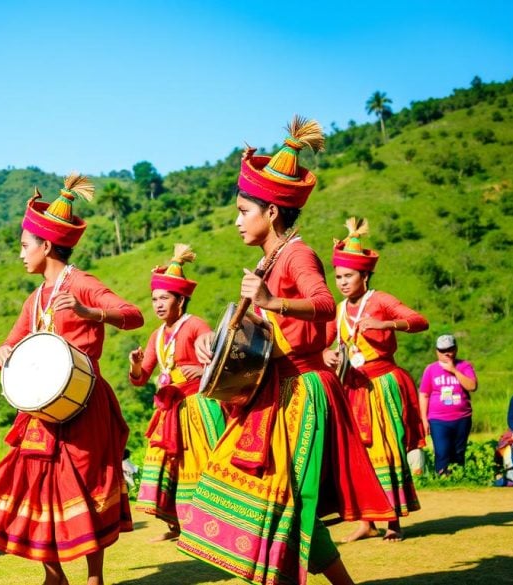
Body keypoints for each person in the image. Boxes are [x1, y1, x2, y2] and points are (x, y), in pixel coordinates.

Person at [177, 118, 393, 585]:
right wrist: (218, 343)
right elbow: (262, 333)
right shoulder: (267, 260)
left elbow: (322, 304)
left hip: (303, 390)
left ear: (271, 212)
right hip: (276, 388)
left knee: (286, 498)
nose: (236, 221)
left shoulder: (298, 255)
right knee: (280, 498)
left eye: (242, 211)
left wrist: (272, 301)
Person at [0, 174, 144, 585]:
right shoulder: (35, 298)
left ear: (46, 246)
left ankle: (94, 577)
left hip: (85, 405)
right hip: (41, 412)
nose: (20, 255)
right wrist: (2, 352)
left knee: (83, 485)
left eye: (24, 246)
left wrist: (91, 314)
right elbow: (11, 342)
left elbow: (133, 315)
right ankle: (53, 574)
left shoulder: (83, 284)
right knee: (31, 483)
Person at [322, 219, 429, 543]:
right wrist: (326, 354)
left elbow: (419, 321)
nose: (342, 282)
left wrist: (387, 323)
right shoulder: (338, 311)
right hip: (353, 389)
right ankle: (367, 521)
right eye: (338, 276)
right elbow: (323, 344)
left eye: (348, 276)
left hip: (383, 386)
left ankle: (393, 520)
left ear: (365, 276)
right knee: (360, 454)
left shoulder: (380, 300)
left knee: (389, 449)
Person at [128, 244, 225, 542]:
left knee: (199, 461)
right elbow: (141, 378)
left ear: (180, 300)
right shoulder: (157, 335)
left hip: (197, 405)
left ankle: (210, 524)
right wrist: (134, 364)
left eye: (164, 298)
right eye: (155, 298)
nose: (158, 304)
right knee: (169, 463)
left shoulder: (196, 324)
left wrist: (203, 371)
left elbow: (217, 353)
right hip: (168, 409)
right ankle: (176, 525)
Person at [418, 334, 478, 475]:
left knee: (458, 451)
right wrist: (424, 419)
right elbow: (424, 394)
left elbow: (472, 386)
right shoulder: (431, 369)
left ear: (456, 349)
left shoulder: (464, 366)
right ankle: (442, 478)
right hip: (438, 419)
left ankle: (459, 478)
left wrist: (454, 370)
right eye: (443, 350)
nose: (447, 353)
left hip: (462, 418)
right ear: (437, 351)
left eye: (450, 349)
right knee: (442, 451)